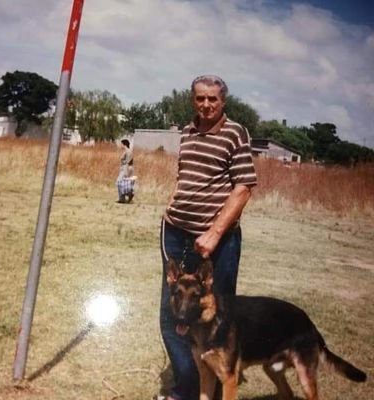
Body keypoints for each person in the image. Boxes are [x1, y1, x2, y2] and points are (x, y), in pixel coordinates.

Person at [159, 75, 257, 400]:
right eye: (200, 98)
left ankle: (215, 389)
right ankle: (186, 388)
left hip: (217, 242)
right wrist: (172, 206)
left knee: (217, 318)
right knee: (172, 311)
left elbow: (243, 188)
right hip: (175, 234)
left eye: (212, 99)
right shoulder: (187, 131)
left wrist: (214, 234)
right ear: (193, 100)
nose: (206, 104)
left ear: (223, 101)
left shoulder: (235, 133)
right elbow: (185, 176)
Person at [116, 139, 135, 203]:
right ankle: (123, 197)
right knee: (124, 184)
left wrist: (128, 171)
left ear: (124, 144)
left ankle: (125, 197)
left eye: (121, 144)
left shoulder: (128, 151)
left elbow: (128, 161)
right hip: (123, 169)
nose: (120, 145)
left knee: (119, 182)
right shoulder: (125, 151)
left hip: (126, 169)